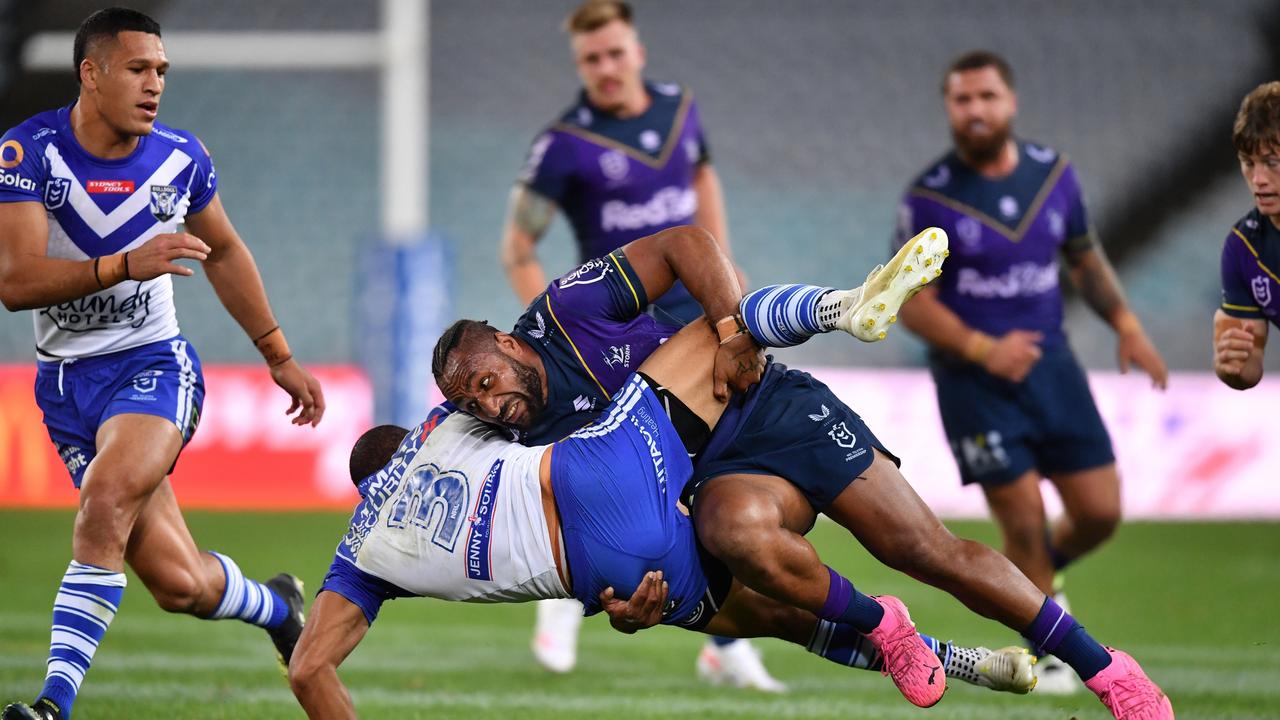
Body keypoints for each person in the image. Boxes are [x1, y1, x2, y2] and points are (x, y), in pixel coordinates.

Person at [434, 224, 1173, 719]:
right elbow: (581, 529)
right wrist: (620, 605)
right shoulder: (520, 445)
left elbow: (690, 243)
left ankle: (1108, 671)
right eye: (474, 403)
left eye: (487, 382)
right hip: (707, 483)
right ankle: (886, 625)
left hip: (766, 404)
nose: (492, 406)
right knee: (736, 540)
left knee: (927, 551)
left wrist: (730, 331)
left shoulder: (570, 309)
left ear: (505, 341)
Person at [289, 306, 1043, 719]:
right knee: (782, 594)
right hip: (630, 486)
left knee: (786, 610)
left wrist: (617, 605)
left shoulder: (373, 535)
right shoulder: (458, 426)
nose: (488, 405)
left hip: (652, 517)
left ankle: (952, 658)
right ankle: (827, 306)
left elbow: (308, 669)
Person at [0, 9, 324, 720]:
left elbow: (228, 252)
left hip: (153, 365)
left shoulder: (183, 159)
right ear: (91, 73)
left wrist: (280, 356)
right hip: (64, 388)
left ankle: (53, 704)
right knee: (180, 585)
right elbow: (15, 281)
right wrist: (124, 264)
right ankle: (275, 606)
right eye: (139, 69)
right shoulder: (28, 155)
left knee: (106, 498)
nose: (155, 86)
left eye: (162, 72)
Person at [894, 50, 1169, 693]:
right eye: (962, 100)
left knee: (1100, 511)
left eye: (987, 96)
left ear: (1010, 102)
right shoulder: (930, 196)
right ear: (949, 110)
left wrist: (1126, 325)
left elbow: (1085, 259)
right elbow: (909, 303)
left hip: (1052, 369)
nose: (976, 110)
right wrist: (984, 350)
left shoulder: (1054, 177)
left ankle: (1039, 576)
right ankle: (1052, 649)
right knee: (1021, 521)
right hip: (975, 385)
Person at [498, 0, 755, 681]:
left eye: (615, 54)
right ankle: (567, 588)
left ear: (637, 51)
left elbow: (702, 174)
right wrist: (550, 331)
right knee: (646, 481)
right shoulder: (563, 143)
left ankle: (727, 648)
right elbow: (518, 244)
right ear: (578, 65)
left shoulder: (680, 108)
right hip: (618, 339)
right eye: (591, 60)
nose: (605, 69)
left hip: (698, 320)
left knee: (718, 476)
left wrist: (722, 263)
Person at [1214, 80, 1279, 389]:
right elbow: (1250, 363)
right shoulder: (1244, 248)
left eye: (1272, 163)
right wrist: (1233, 364)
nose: (1258, 179)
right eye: (1248, 163)